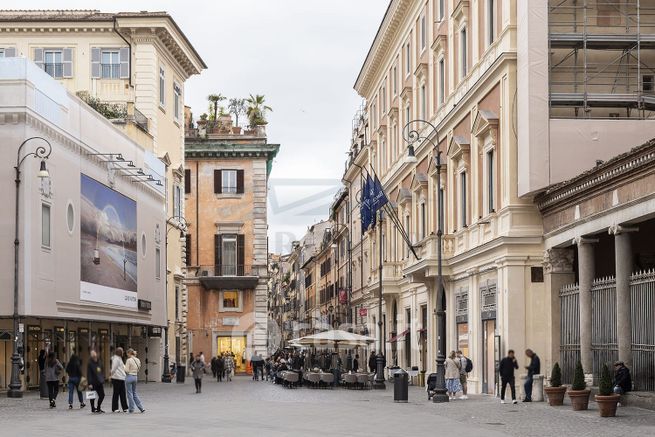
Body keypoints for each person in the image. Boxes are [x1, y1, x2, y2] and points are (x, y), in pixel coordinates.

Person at [125, 349, 145, 413]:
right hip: (135, 377)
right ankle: (141, 407)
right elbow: (138, 369)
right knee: (134, 393)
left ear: (129, 353)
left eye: (127, 354)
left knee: (129, 393)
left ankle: (131, 408)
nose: (127, 355)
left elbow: (126, 370)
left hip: (129, 377)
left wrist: (124, 368)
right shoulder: (138, 360)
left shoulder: (129, 360)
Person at [110, 347, 128, 412]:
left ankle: (125, 407)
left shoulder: (119, 358)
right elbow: (114, 368)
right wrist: (111, 375)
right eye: (122, 351)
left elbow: (123, 367)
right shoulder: (116, 359)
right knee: (116, 393)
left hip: (121, 377)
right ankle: (115, 408)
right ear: (119, 352)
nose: (123, 352)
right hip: (116, 378)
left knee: (123, 393)